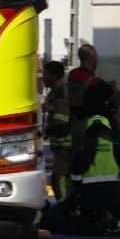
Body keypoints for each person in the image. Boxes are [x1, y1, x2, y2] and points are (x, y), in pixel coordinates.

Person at [43, 78, 120, 236]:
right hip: (112, 195)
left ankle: (82, 222)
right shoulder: (113, 145)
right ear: (108, 129)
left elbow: (75, 174)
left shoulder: (84, 148)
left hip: (87, 196)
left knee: (78, 217)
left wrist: (77, 192)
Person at [40, 60, 72, 202]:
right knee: (59, 181)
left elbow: (62, 120)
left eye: (45, 74)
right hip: (61, 146)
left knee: (60, 182)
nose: (43, 78)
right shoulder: (56, 92)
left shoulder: (62, 92)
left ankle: (66, 212)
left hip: (65, 146)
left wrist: (47, 130)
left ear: (54, 76)